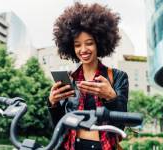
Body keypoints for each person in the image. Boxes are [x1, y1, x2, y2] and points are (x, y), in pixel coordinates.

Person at [48, 2, 129, 150]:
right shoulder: (69, 79)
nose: (83, 49)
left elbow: (121, 124)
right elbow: (58, 126)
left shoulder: (117, 77)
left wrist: (111, 97)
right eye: (77, 45)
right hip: (70, 146)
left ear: (99, 43)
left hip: (102, 146)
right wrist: (53, 104)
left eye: (89, 43)